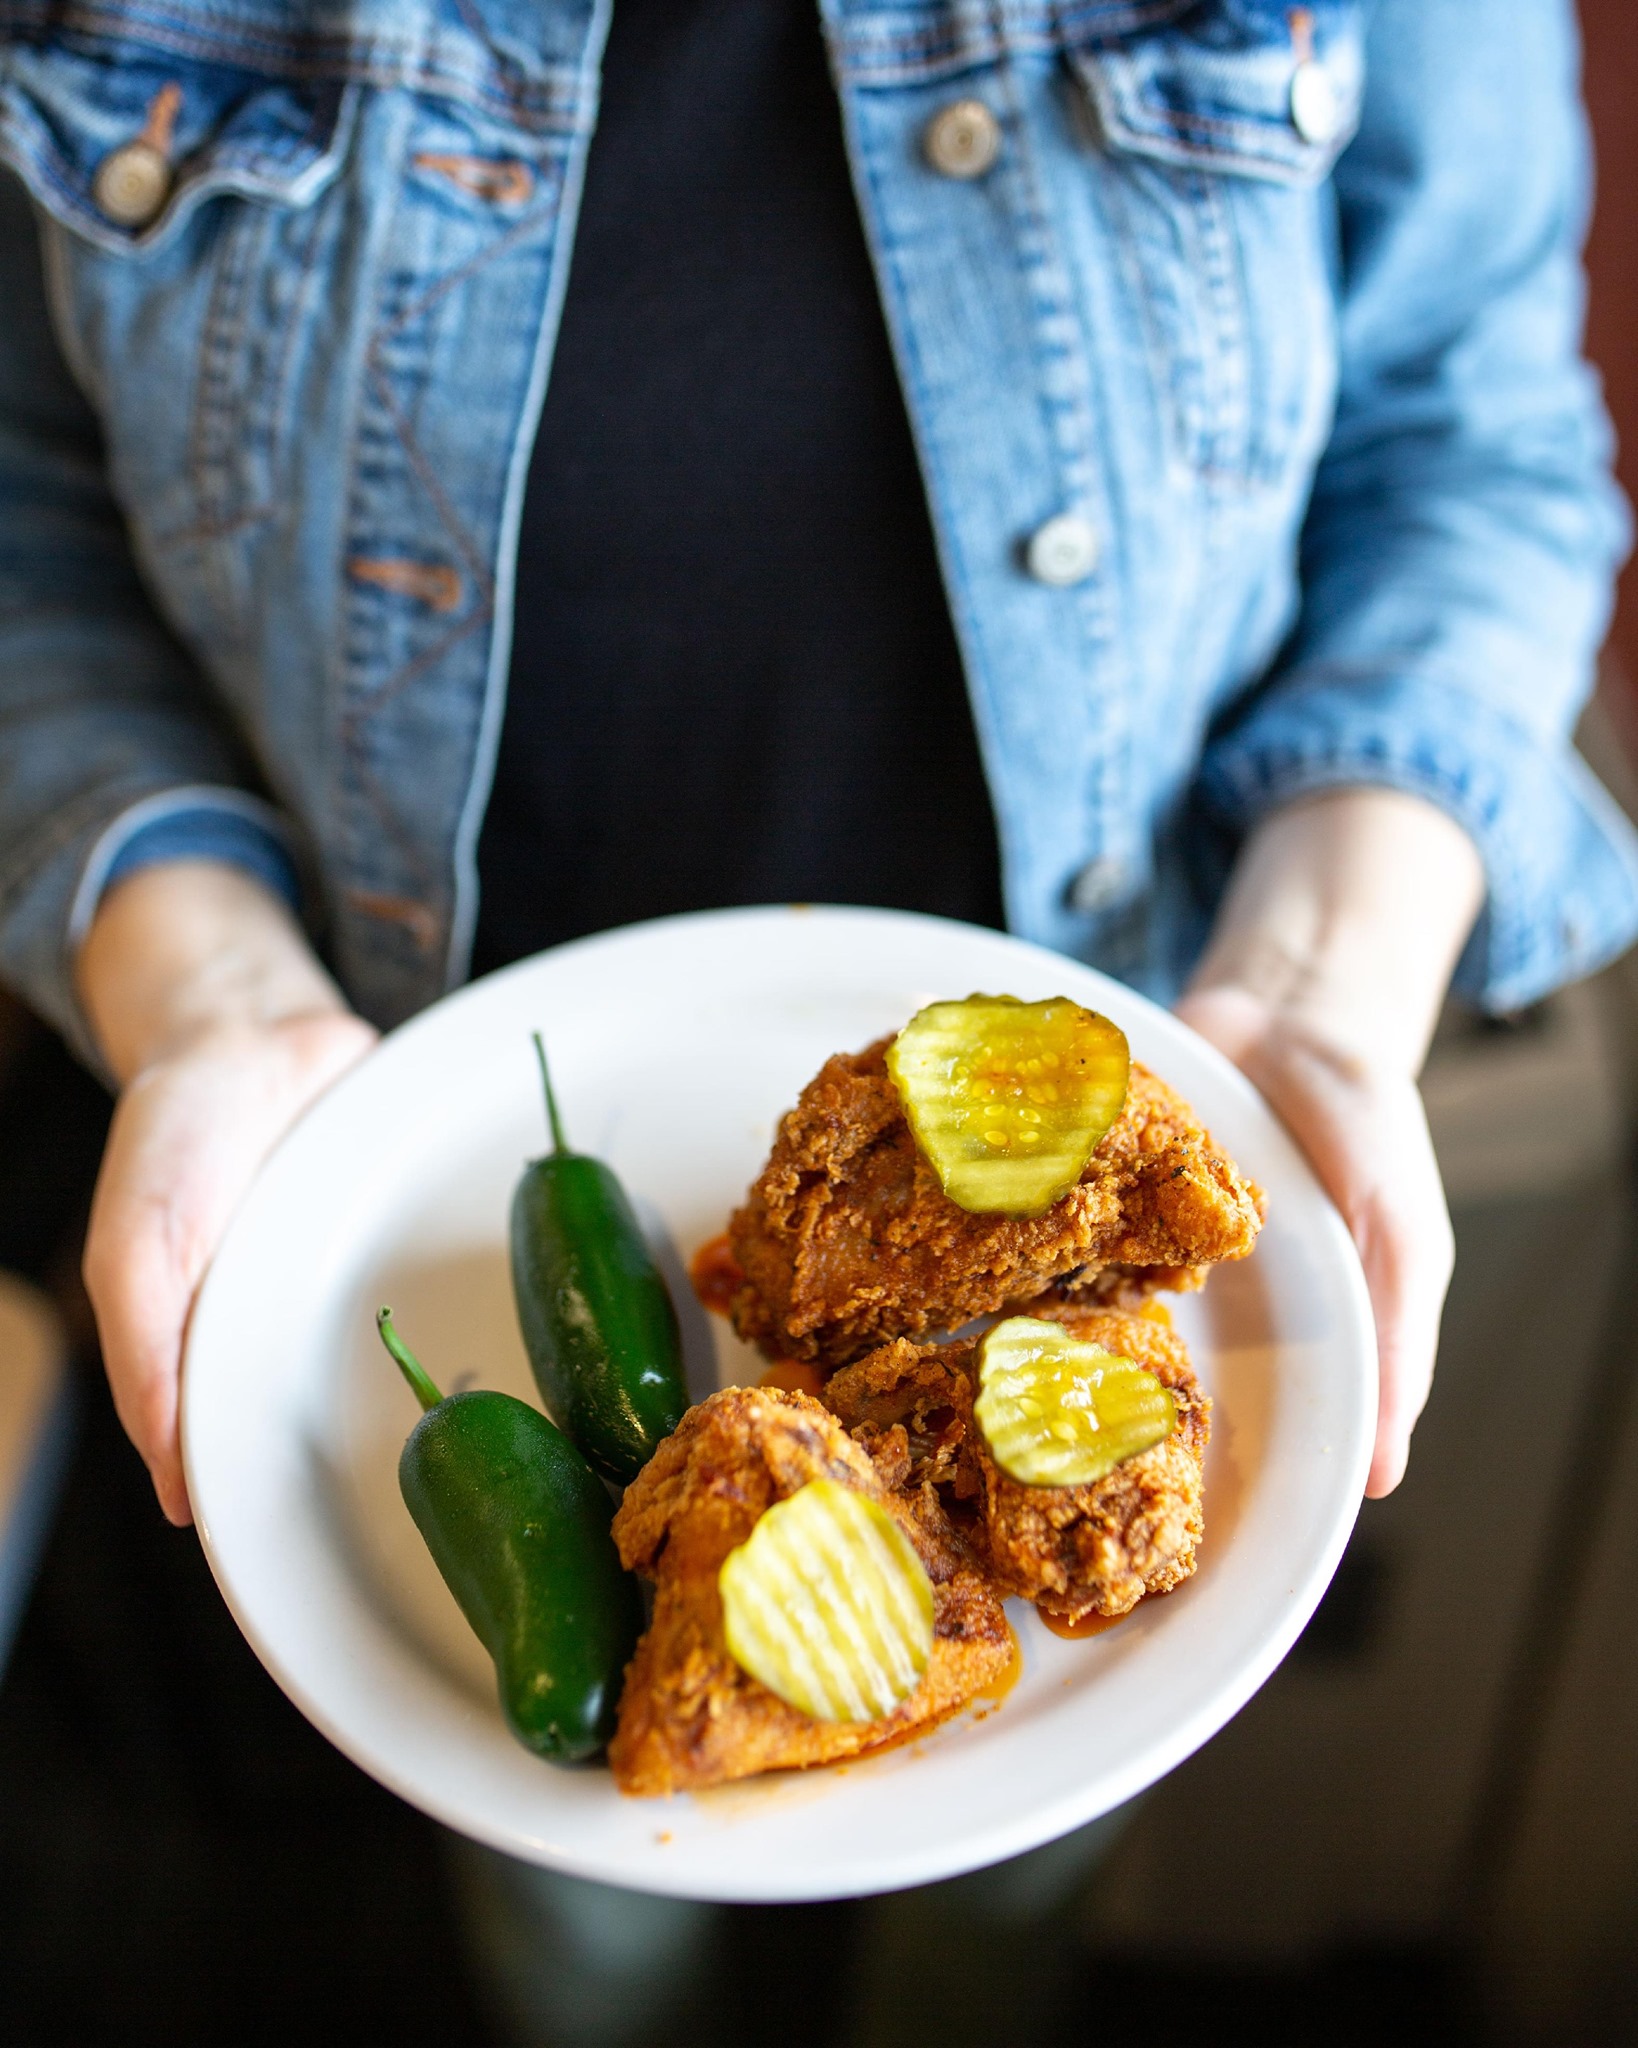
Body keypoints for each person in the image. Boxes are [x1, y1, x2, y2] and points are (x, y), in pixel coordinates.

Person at [1, 0, 1635, 2036]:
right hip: (399, 1067)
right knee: (571, 1903)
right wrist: (207, 984)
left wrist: (1324, 978)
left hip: (1137, 1004)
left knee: (1003, 1898)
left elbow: (1471, 442)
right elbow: (21, 506)